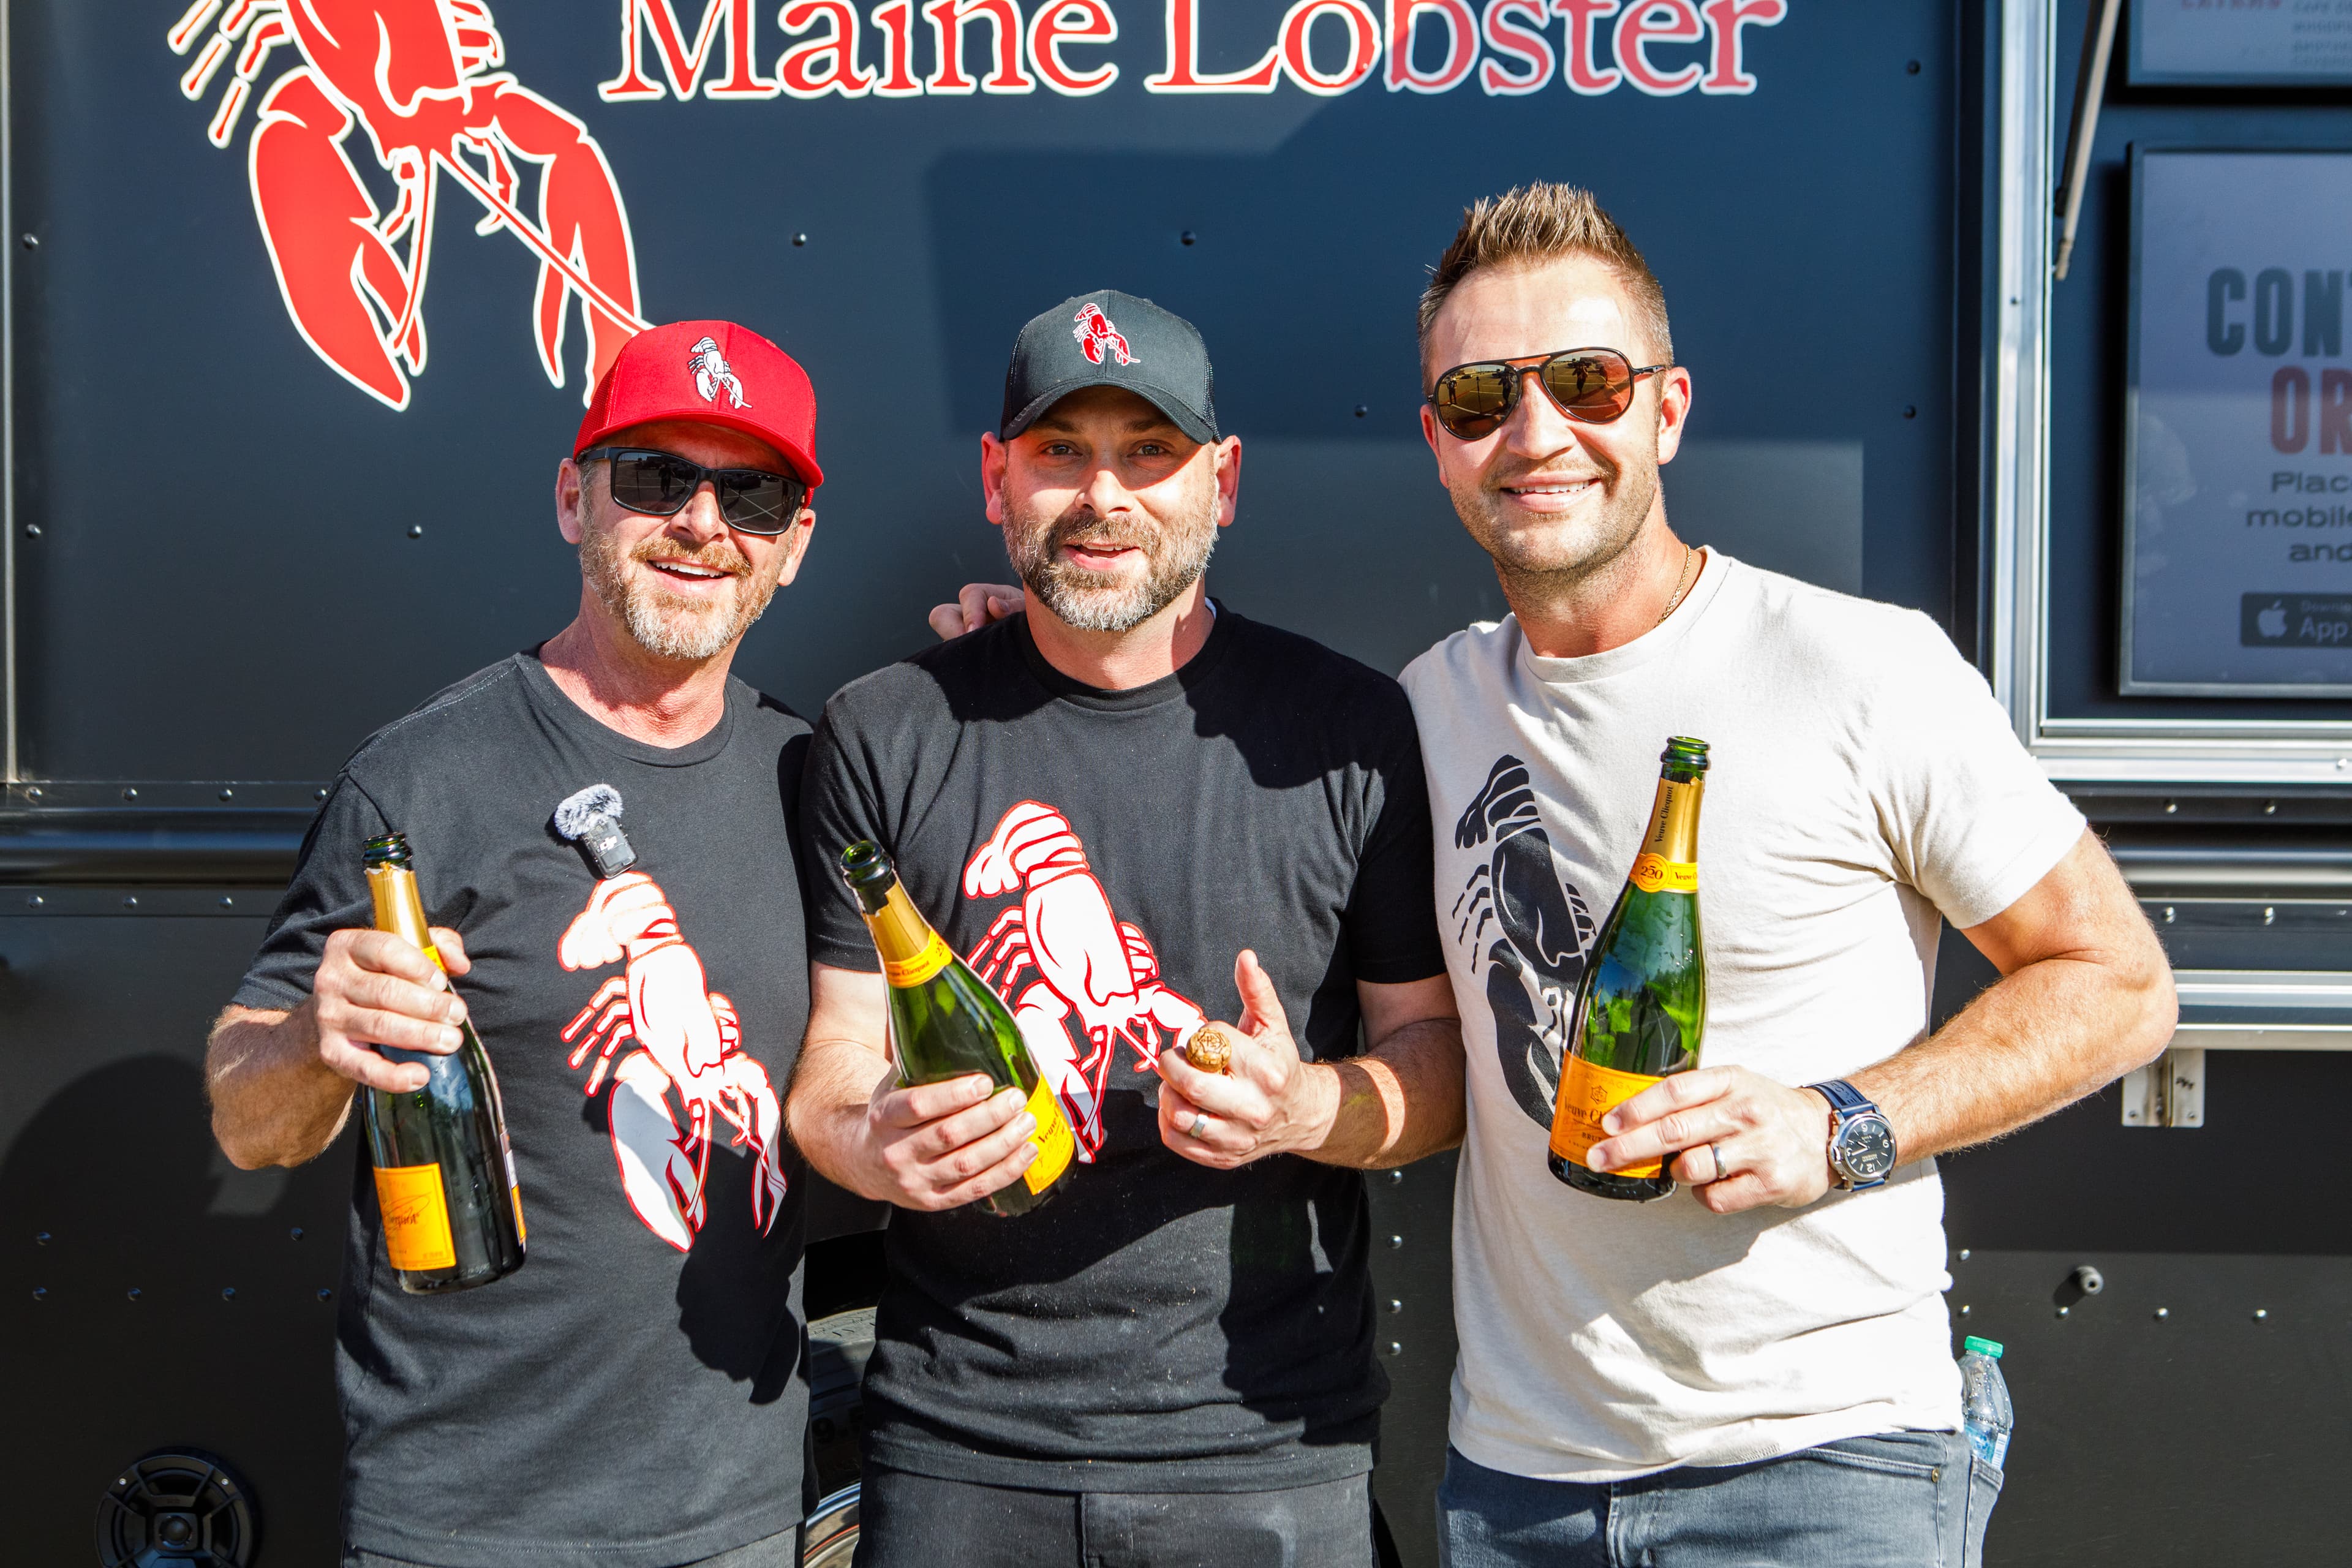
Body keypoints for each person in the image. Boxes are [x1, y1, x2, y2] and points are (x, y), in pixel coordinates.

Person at [1400, 184, 2177, 1566]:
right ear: (1439, 446)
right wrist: (1014, 634)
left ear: (1667, 409)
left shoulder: (1861, 669)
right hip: (1517, 1484)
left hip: (1824, 1473)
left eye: (1586, 382)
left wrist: (1839, 1124)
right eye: (1480, 396)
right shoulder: (1429, 707)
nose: (1536, 432)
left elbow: (2118, 983)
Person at [788, 290, 1464, 1568]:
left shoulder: (1349, 730)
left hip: (1269, 1442)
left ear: (1225, 480)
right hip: (959, 1445)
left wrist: (1303, 1108)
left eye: (1150, 451)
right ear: (996, 478)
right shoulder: (884, 729)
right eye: (1061, 450)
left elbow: (1436, 1066)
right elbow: (833, 1059)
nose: (1105, 494)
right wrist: (875, 1141)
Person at [205, 320, 827, 1568]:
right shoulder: (421, 778)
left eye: (751, 495)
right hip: (467, 1518)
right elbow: (246, 1121)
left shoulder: (814, 779)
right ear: (572, 499)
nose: (702, 522)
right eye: (655, 477)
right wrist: (319, 1037)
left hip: (742, 1514)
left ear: (793, 546)